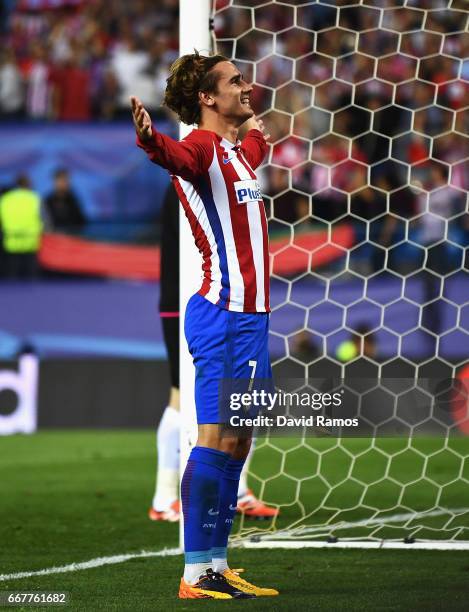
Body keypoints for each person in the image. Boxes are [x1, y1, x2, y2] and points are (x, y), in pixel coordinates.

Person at [132, 51, 278, 599]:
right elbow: (176, 156)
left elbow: (253, 151)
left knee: (239, 441)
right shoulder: (199, 148)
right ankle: (194, 573)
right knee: (215, 437)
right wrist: (150, 140)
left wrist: (258, 131)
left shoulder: (238, 155)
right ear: (207, 99)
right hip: (222, 316)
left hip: (252, 318)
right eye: (235, 81)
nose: (247, 85)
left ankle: (217, 561)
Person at [149, 187, 279, 523]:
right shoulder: (184, 183)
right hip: (188, 301)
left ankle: (236, 491)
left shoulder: (215, 175)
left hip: (227, 303)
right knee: (182, 396)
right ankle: (164, 497)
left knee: (240, 400)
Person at [0, 174, 42, 278]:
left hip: (11, 242)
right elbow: (46, 220)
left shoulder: (5, 199)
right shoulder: (35, 199)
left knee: (11, 278)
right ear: (29, 185)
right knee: (32, 280)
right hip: (31, 243)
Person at [44, 168, 85, 233]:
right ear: (55, 182)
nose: (64, 184)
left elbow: (81, 222)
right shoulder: (48, 201)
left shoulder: (74, 201)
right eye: (61, 181)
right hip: (54, 237)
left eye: (66, 181)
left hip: (72, 237)